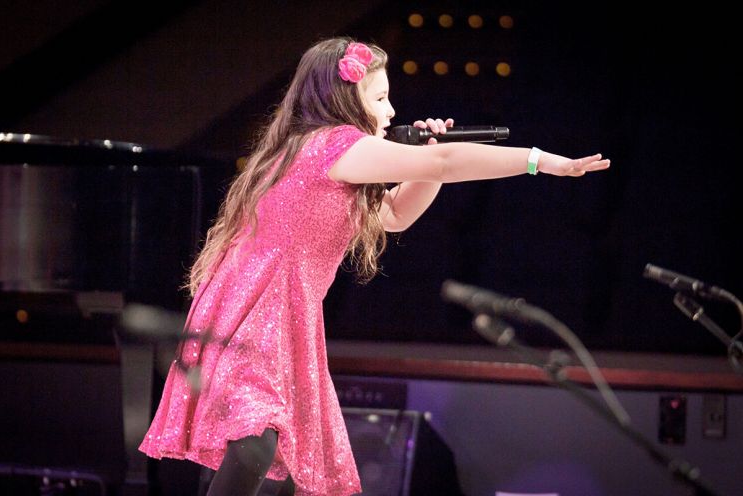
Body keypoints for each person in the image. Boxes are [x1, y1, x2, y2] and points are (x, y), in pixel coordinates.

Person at [138, 36, 610, 496]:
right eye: (380, 98)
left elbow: (396, 213)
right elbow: (446, 163)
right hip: (258, 313)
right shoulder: (334, 144)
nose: (390, 112)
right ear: (344, 100)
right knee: (256, 448)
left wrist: (423, 159)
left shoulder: (316, 151)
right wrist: (536, 160)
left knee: (288, 467)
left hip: (276, 314)